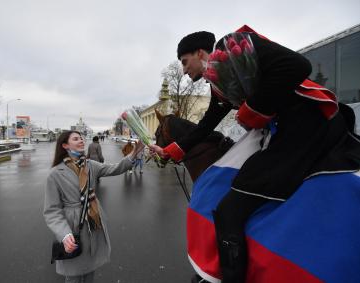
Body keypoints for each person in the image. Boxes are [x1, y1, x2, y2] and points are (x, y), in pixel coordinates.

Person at [149, 27, 360, 283]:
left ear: (200, 52)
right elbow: (206, 125)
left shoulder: (233, 47)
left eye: (184, 62)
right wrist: (170, 151)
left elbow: (298, 65)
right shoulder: (219, 82)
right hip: (287, 133)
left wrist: (252, 109)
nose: (183, 70)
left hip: (306, 132)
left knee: (228, 211)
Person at [44, 131, 144, 283]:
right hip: (72, 227)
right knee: (74, 275)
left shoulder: (90, 165)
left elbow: (114, 168)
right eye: (76, 139)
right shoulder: (55, 173)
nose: (81, 141)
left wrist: (133, 154)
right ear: (65, 145)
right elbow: (52, 211)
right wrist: (64, 234)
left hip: (93, 224)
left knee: (90, 270)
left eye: (81, 138)